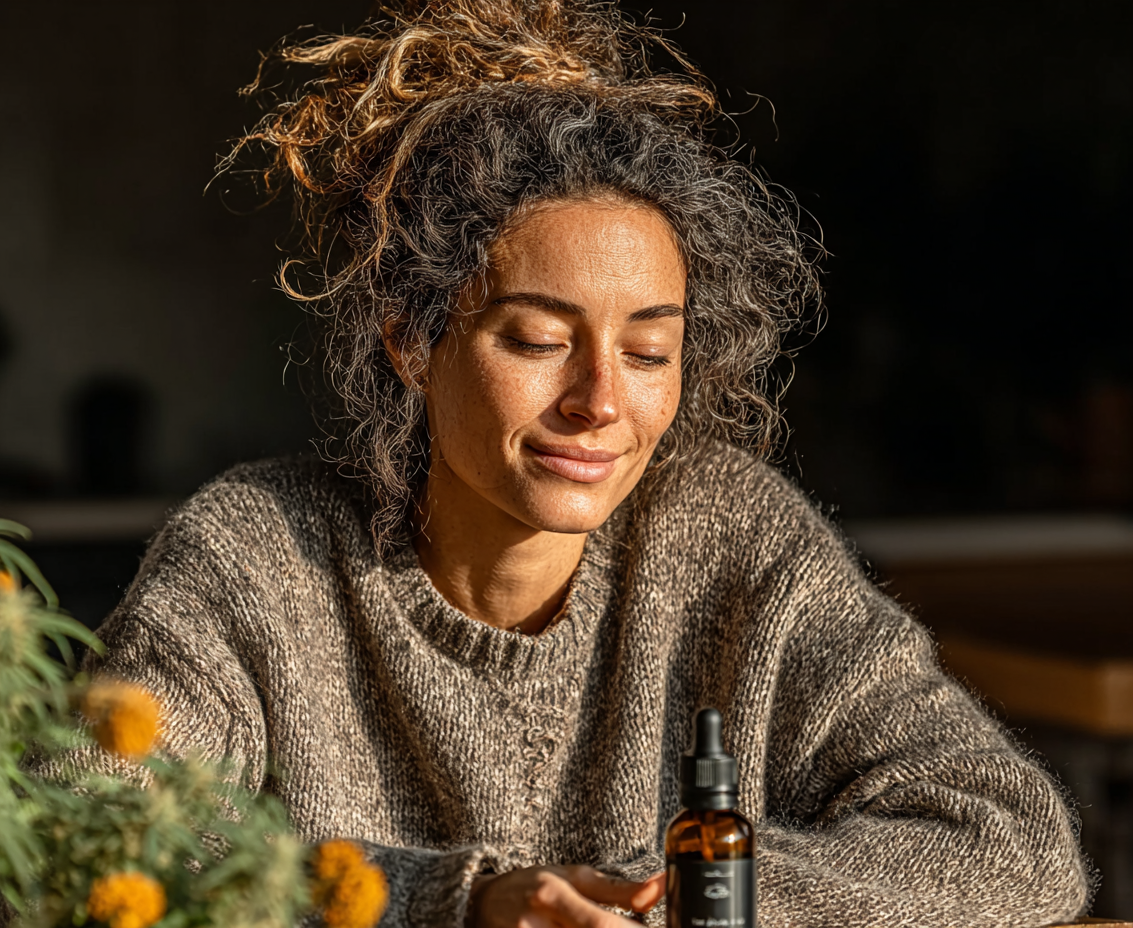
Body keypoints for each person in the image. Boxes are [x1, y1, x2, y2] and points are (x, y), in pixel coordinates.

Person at [71, 2, 1090, 925]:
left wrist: (684, 898)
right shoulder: (258, 558)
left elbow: (1011, 838)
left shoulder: (731, 539)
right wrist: (456, 905)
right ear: (411, 341)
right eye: (536, 339)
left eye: (648, 351)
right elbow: (71, 844)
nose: (600, 401)